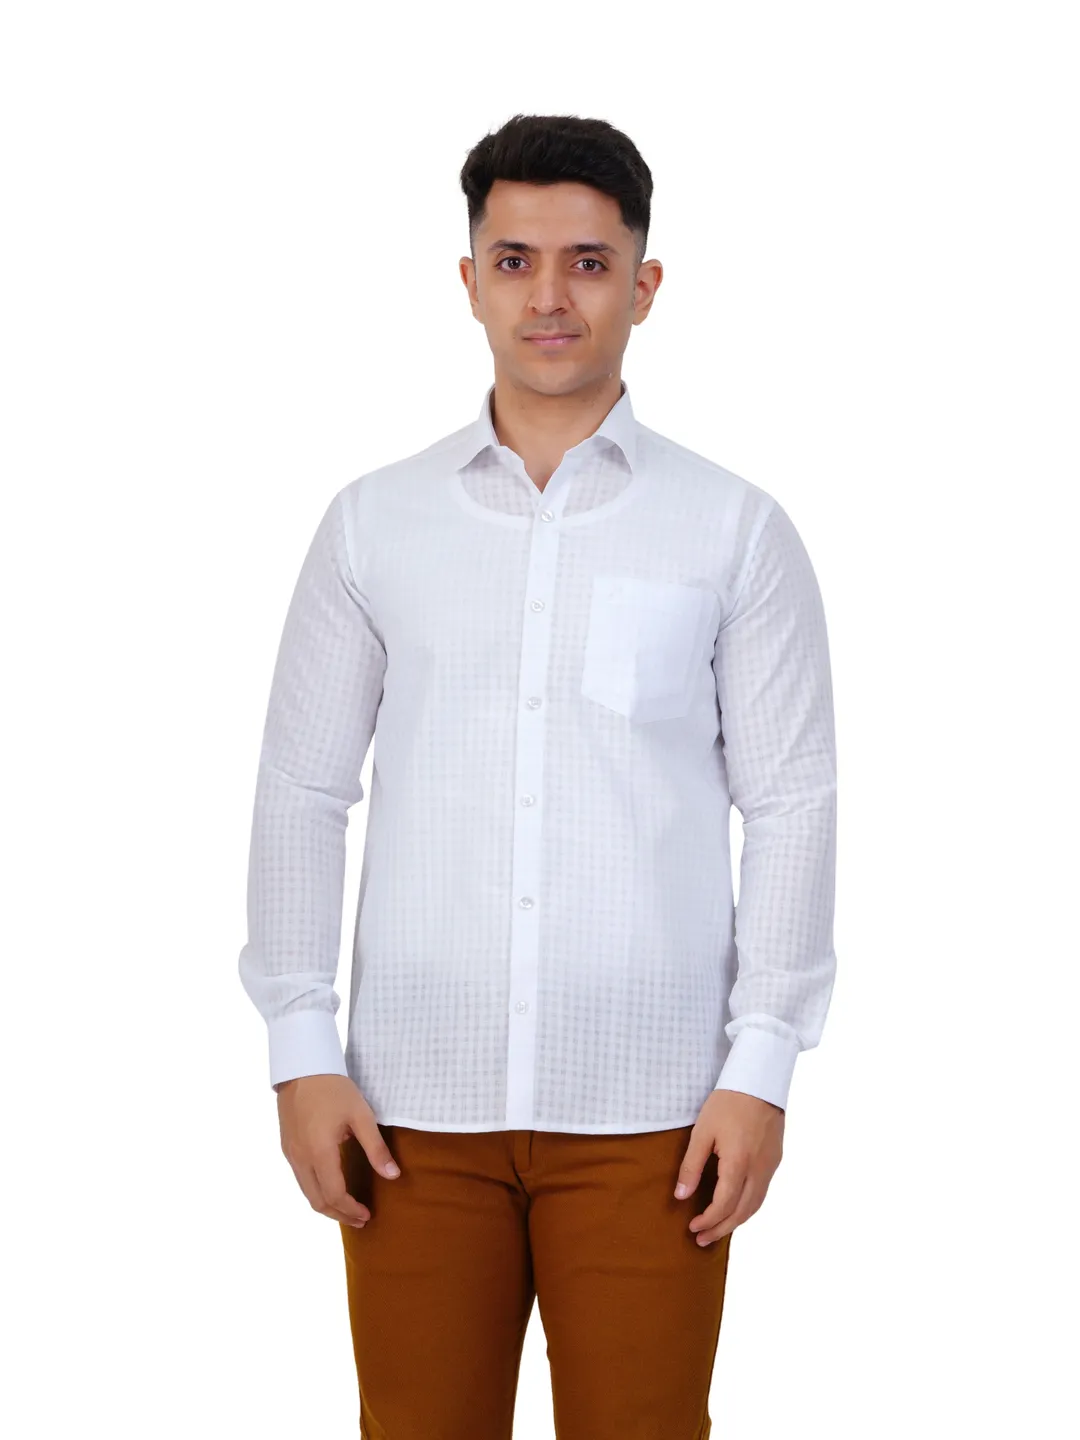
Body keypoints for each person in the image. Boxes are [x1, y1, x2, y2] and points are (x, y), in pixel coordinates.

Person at [238, 112, 838, 1440]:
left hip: (657, 1112)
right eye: (514, 260)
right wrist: (299, 1047)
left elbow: (792, 801)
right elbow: (302, 790)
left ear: (645, 285)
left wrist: (764, 1063)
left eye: (588, 262)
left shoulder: (734, 530)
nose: (549, 296)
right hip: (408, 1110)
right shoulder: (373, 524)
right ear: (469, 281)